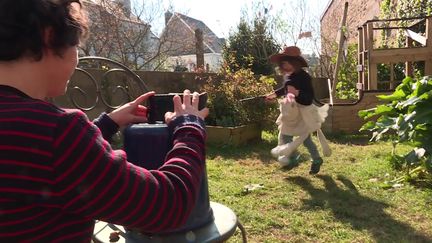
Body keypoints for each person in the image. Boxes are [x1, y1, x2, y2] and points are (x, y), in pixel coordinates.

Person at [0, 0, 209, 242]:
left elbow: (41, 164)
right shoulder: (57, 134)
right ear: (49, 37)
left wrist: (106, 123)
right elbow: (167, 204)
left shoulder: (45, 138)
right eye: (76, 45)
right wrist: (189, 126)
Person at [265, 46, 325, 175]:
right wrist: (274, 94)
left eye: (287, 63)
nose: (285, 66)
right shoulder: (289, 76)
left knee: (306, 139)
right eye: (283, 64)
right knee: (285, 135)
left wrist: (297, 93)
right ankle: (291, 158)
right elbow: (285, 89)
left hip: (303, 112)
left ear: (295, 63)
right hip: (290, 112)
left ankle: (316, 159)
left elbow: (309, 98)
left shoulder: (304, 78)